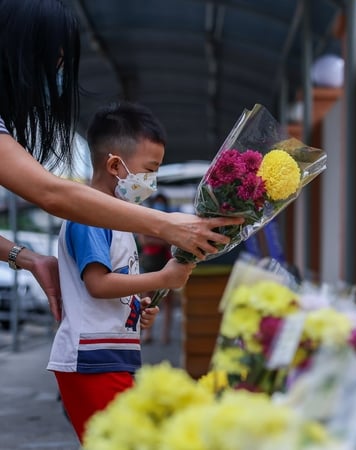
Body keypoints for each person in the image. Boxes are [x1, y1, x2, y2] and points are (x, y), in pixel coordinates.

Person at [0, 0, 241, 322]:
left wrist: (26, 258)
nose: (57, 77)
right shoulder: (91, 221)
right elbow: (52, 194)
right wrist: (167, 225)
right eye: (53, 63)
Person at [47, 102, 195, 443]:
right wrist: (163, 279)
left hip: (107, 357)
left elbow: (110, 284)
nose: (152, 182)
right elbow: (98, 284)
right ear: (115, 164)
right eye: (149, 170)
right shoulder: (90, 216)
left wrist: (136, 307)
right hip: (92, 361)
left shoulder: (116, 217)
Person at [138, 193, 177, 345]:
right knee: (148, 298)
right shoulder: (148, 220)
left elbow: (172, 240)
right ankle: (148, 332)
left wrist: (158, 240)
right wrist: (163, 239)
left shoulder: (169, 220)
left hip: (165, 261)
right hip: (151, 263)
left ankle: (165, 334)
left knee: (167, 300)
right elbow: (144, 241)